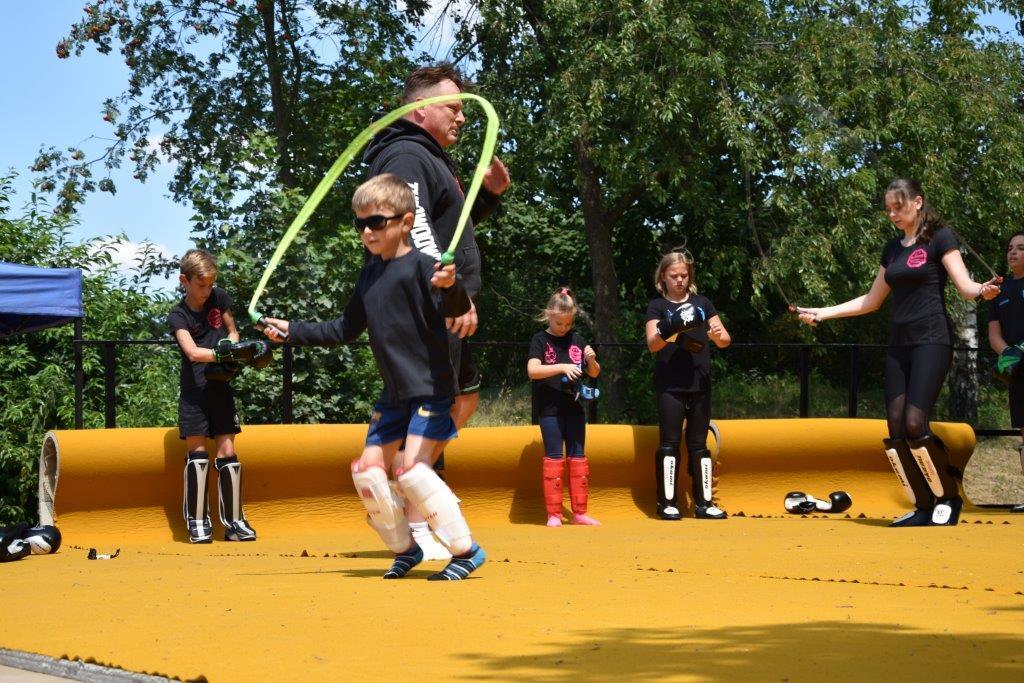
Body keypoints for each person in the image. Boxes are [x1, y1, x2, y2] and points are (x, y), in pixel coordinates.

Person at [261, 174, 486, 580]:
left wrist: (452, 286)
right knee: (367, 472)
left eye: (377, 222)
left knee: (413, 471)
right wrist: (292, 331)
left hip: (431, 390)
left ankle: (466, 551)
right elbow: (344, 328)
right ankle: (406, 549)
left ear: (406, 221)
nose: (367, 231)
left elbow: (454, 309)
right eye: (360, 223)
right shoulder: (369, 276)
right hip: (394, 395)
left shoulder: (427, 269)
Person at [363, 62, 510, 557]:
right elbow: (413, 230)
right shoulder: (406, 155)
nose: (462, 117)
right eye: (453, 107)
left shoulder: (423, 156)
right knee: (430, 410)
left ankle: (405, 487)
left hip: (434, 305)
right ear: (421, 109)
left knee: (460, 401)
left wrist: (487, 196)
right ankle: (413, 512)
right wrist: (450, 295)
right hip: (429, 307)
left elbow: (448, 227)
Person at [797, 178, 1000, 526]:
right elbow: (871, 301)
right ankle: (922, 505)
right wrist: (822, 312)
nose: (892, 214)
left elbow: (965, 287)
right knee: (894, 427)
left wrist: (983, 290)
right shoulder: (892, 249)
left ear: (918, 202)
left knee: (914, 422)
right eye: (888, 209)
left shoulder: (939, 238)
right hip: (899, 344)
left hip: (931, 340)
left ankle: (947, 497)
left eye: (898, 207)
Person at [169, 249, 270, 543]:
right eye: (201, 285)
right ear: (184, 281)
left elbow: (232, 331)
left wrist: (233, 347)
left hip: (221, 385)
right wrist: (222, 353)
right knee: (198, 454)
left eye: (211, 284)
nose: (207, 291)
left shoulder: (219, 297)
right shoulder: (178, 315)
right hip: (194, 391)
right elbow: (192, 352)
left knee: (228, 452)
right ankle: (198, 520)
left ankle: (235, 521)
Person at [644, 249, 732, 520]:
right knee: (669, 443)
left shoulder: (702, 303)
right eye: (674, 275)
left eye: (684, 275)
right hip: (670, 385)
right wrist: (672, 326)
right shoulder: (657, 306)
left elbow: (725, 340)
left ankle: (704, 503)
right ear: (663, 276)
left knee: (699, 444)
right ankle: (667, 503)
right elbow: (652, 344)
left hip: (699, 384)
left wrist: (716, 335)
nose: (680, 280)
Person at [527, 287, 601, 527]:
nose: (563, 328)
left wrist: (591, 359)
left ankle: (580, 512)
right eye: (559, 323)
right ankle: (554, 514)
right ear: (549, 315)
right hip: (550, 410)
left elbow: (594, 373)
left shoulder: (577, 339)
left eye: (568, 323)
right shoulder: (540, 340)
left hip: (575, 409)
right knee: (554, 459)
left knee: (578, 459)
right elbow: (532, 370)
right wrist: (561, 367)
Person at [987, 231, 1024, 513]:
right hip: (1018, 369)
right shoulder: (998, 291)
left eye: (1021, 248)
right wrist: (1010, 354)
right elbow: (994, 335)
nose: (1013, 252)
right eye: (1010, 247)